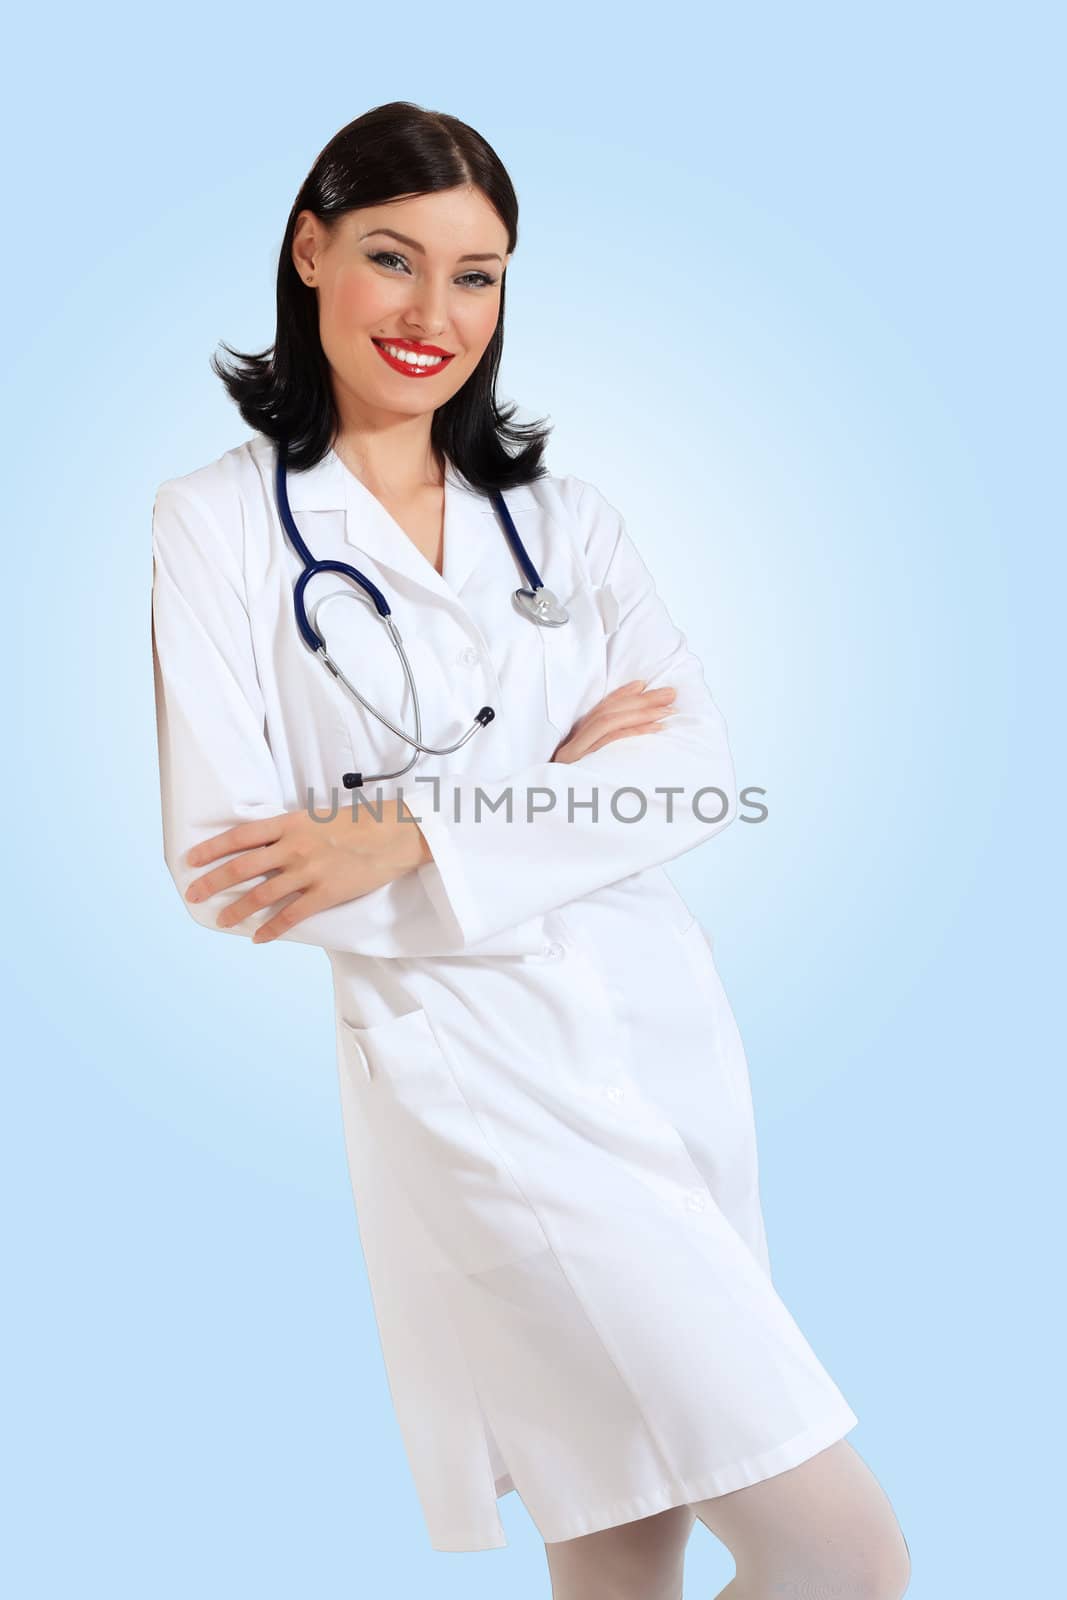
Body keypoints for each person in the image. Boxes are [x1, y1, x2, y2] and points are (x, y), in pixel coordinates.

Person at [150, 101, 911, 1598]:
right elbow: (237, 864)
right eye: (392, 257)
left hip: (661, 1042)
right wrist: (556, 796)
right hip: (473, 1083)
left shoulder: (564, 520)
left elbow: (691, 778)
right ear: (310, 253)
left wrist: (412, 825)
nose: (437, 314)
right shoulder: (219, 529)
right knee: (842, 1555)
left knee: (623, 1552)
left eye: (479, 273)